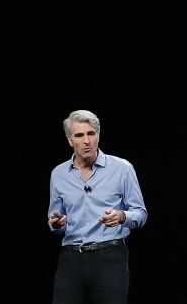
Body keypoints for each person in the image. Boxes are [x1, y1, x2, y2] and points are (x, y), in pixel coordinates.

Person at [48, 109, 148, 304]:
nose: (86, 140)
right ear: (70, 140)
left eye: (91, 133)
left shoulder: (122, 168)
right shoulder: (58, 174)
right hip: (71, 259)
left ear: (98, 136)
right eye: (79, 135)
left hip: (109, 258)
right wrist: (56, 224)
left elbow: (141, 214)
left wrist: (121, 216)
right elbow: (54, 220)